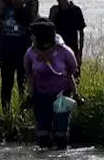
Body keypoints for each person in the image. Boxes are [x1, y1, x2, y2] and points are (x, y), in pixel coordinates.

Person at [24, 20, 80, 149]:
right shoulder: (31, 53)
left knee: (60, 132)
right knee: (43, 133)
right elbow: (29, 75)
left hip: (62, 94)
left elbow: (72, 70)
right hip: (40, 95)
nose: (31, 36)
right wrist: (30, 96)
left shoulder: (64, 51)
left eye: (34, 34)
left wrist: (75, 94)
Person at [0, 0, 35, 112]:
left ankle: (23, 113)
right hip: (6, 53)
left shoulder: (28, 10)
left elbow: (35, 28)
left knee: (23, 85)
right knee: (7, 85)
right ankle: (7, 113)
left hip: (23, 54)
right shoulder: (4, 9)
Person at [48, 0, 86, 68]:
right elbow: (49, 31)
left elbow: (81, 32)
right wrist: (52, 16)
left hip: (73, 47)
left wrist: (80, 52)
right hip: (57, 49)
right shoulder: (54, 10)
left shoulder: (75, 10)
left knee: (74, 75)